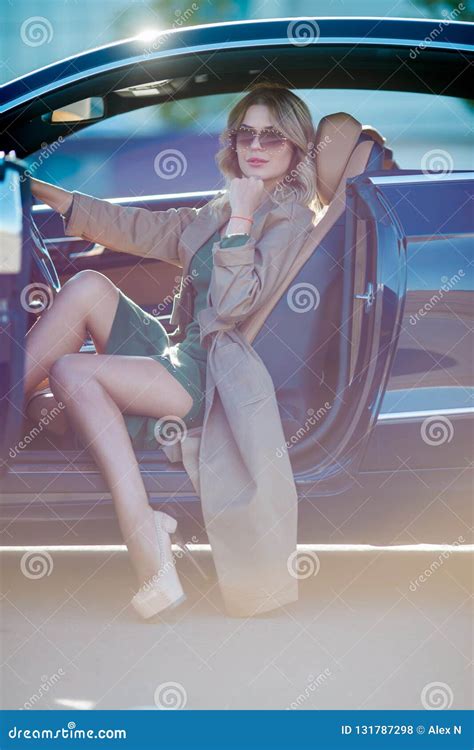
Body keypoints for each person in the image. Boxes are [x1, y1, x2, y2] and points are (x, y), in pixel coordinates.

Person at [25, 82, 320, 618]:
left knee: (73, 372)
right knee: (88, 285)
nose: (255, 145)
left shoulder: (288, 218)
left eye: (272, 137)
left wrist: (243, 217)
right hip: (182, 353)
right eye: (245, 133)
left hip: (213, 376)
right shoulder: (223, 203)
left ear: (296, 146)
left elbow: (233, 306)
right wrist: (35, 188)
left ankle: (146, 538)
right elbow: (143, 228)